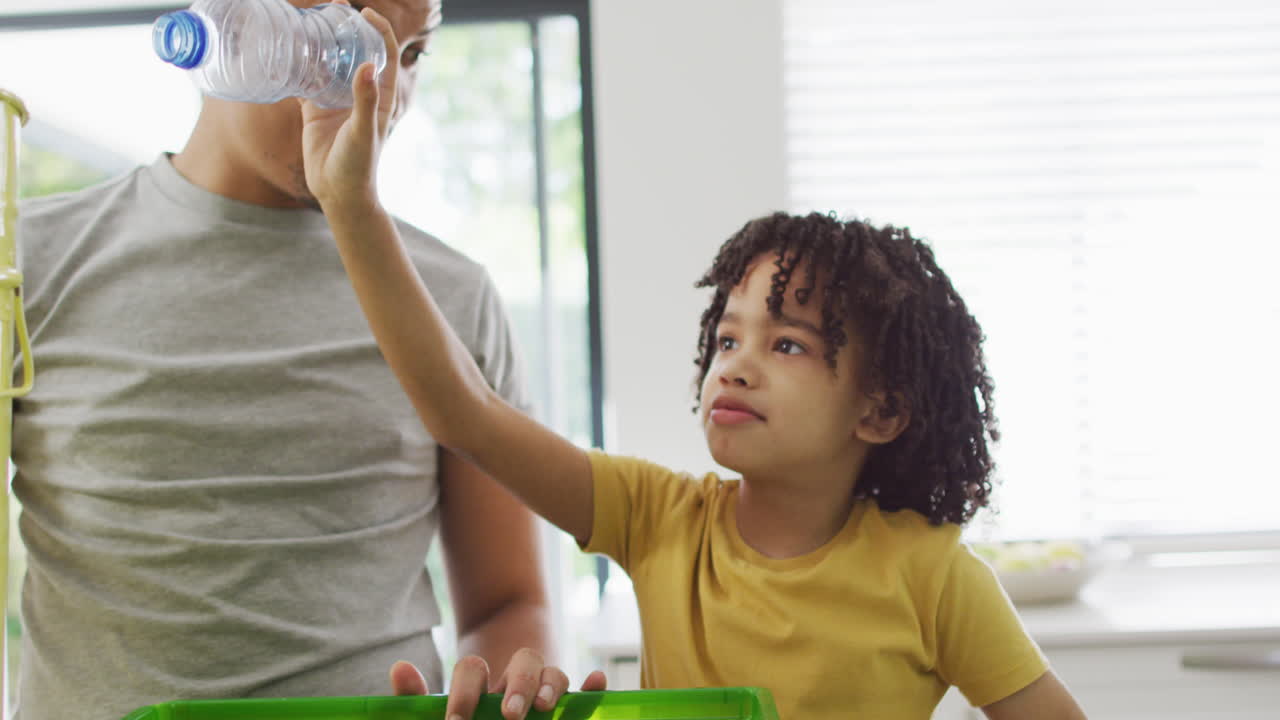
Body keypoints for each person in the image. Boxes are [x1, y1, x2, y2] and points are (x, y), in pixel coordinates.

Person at [302, 6, 1091, 719]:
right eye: (726, 340)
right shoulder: (657, 520)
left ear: (879, 410)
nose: (736, 366)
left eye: (787, 345)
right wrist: (352, 207)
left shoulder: (936, 577)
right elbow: (463, 414)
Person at [12, 2, 604, 720]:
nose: (380, 91)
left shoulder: (451, 300)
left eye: (409, 54)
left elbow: (509, 601)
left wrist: (508, 688)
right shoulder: (31, 264)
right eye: (342, 40)